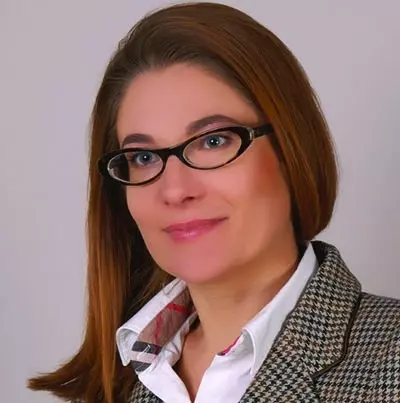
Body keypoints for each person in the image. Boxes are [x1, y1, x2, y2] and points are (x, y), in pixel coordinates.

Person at [28, 2, 400, 403]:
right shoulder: (118, 384)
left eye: (214, 141)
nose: (175, 190)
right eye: (144, 157)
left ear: (292, 151)